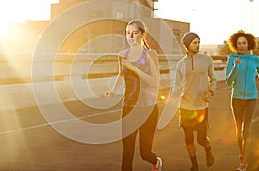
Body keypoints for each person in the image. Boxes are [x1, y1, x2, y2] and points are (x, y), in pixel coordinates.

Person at [104, 19, 162, 171]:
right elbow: (121, 74)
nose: (130, 36)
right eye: (127, 33)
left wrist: (134, 68)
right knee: (127, 151)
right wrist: (113, 90)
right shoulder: (122, 55)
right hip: (128, 107)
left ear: (142, 35)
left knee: (144, 152)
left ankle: (155, 161)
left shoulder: (150, 54)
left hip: (148, 109)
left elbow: (155, 82)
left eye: (135, 33)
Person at [172, 32, 216, 171]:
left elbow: (213, 78)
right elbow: (177, 84)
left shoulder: (206, 59)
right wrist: (174, 94)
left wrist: (210, 91)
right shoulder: (180, 64)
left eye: (198, 42)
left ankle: (208, 150)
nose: (197, 45)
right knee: (189, 139)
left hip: (201, 106)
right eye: (194, 42)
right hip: (185, 106)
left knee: (201, 140)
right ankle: (195, 165)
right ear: (186, 45)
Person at [225, 30, 259, 171]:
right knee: (238, 130)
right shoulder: (232, 59)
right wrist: (235, 67)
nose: (241, 46)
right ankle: (242, 154)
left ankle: (244, 162)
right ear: (235, 45)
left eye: (244, 43)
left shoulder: (255, 60)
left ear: (249, 44)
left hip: (251, 98)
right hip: (237, 98)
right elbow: (228, 81)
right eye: (239, 43)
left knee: (246, 130)